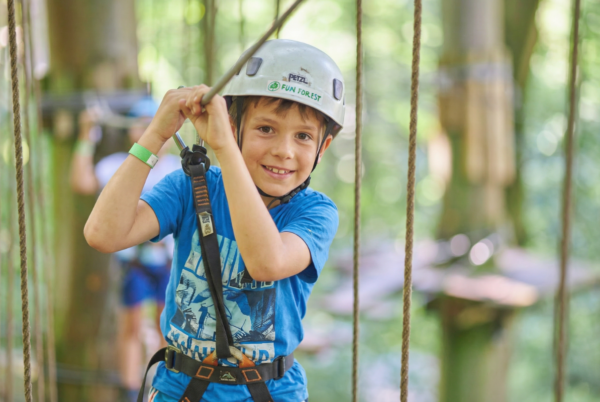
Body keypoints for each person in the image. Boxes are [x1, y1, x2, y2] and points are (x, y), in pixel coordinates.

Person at [83, 39, 345, 402]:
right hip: (181, 390)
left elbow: (266, 263)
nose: (283, 150)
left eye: (303, 136)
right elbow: (103, 234)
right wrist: (155, 135)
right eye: (266, 129)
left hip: (269, 393)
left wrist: (225, 148)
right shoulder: (192, 188)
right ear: (234, 126)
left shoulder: (314, 212)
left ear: (323, 147)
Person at [70, 97, 180, 402]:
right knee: (130, 326)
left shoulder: (179, 169)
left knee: (167, 326)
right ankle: (130, 393)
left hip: (169, 261)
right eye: (139, 125)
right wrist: (85, 137)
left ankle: (163, 389)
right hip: (133, 262)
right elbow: (82, 183)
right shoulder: (120, 166)